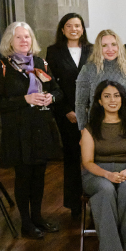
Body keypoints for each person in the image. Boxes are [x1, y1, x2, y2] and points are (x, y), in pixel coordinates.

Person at [0, 22, 63, 239]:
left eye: (27, 37)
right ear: (9, 41)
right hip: (18, 132)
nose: (23, 41)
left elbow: (57, 91)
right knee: (24, 176)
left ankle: (37, 217)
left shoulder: (41, 63)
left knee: (39, 176)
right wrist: (25, 99)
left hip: (41, 128)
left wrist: (51, 97)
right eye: (18, 37)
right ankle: (26, 222)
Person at [79, 81, 126, 251]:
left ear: (122, 99)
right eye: (107, 96)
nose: (112, 100)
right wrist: (107, 174)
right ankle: (108, 250)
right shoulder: (90, 128)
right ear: (100, 101)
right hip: (97, 172)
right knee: (105, 189)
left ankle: (125, 244)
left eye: (116, 95)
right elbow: (87, 162)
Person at [44, 13, 92, 218]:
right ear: (62, 30)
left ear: (82, 29)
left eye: (78, 26)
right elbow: (51, 83)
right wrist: (65, 110)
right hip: (67, 113)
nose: (74, 29)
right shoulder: (53, 52)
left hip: (92, 113)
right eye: (69, 26)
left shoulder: (92, 50)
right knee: (72, 158)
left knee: (94, 157)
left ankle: (96, 199)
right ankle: (74, 205)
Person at [75, 29, 126, 130]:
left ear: (119, 46)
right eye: (104, 45)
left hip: (125, 126)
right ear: (98, 48)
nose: (110, 49)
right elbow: (80, 104)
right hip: (96, 126)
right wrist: (82, 129)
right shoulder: (88, 70)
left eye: (114, 44)